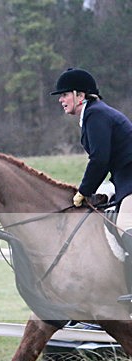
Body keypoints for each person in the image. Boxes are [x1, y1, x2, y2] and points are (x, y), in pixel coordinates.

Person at [51, 67, 132, 302]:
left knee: (125, 224)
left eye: (65, 94)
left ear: (80, 95)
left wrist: (83, 191)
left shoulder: (96, 115)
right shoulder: (93, 114)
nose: (61, 100)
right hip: (122, 179)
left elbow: (99, 159)